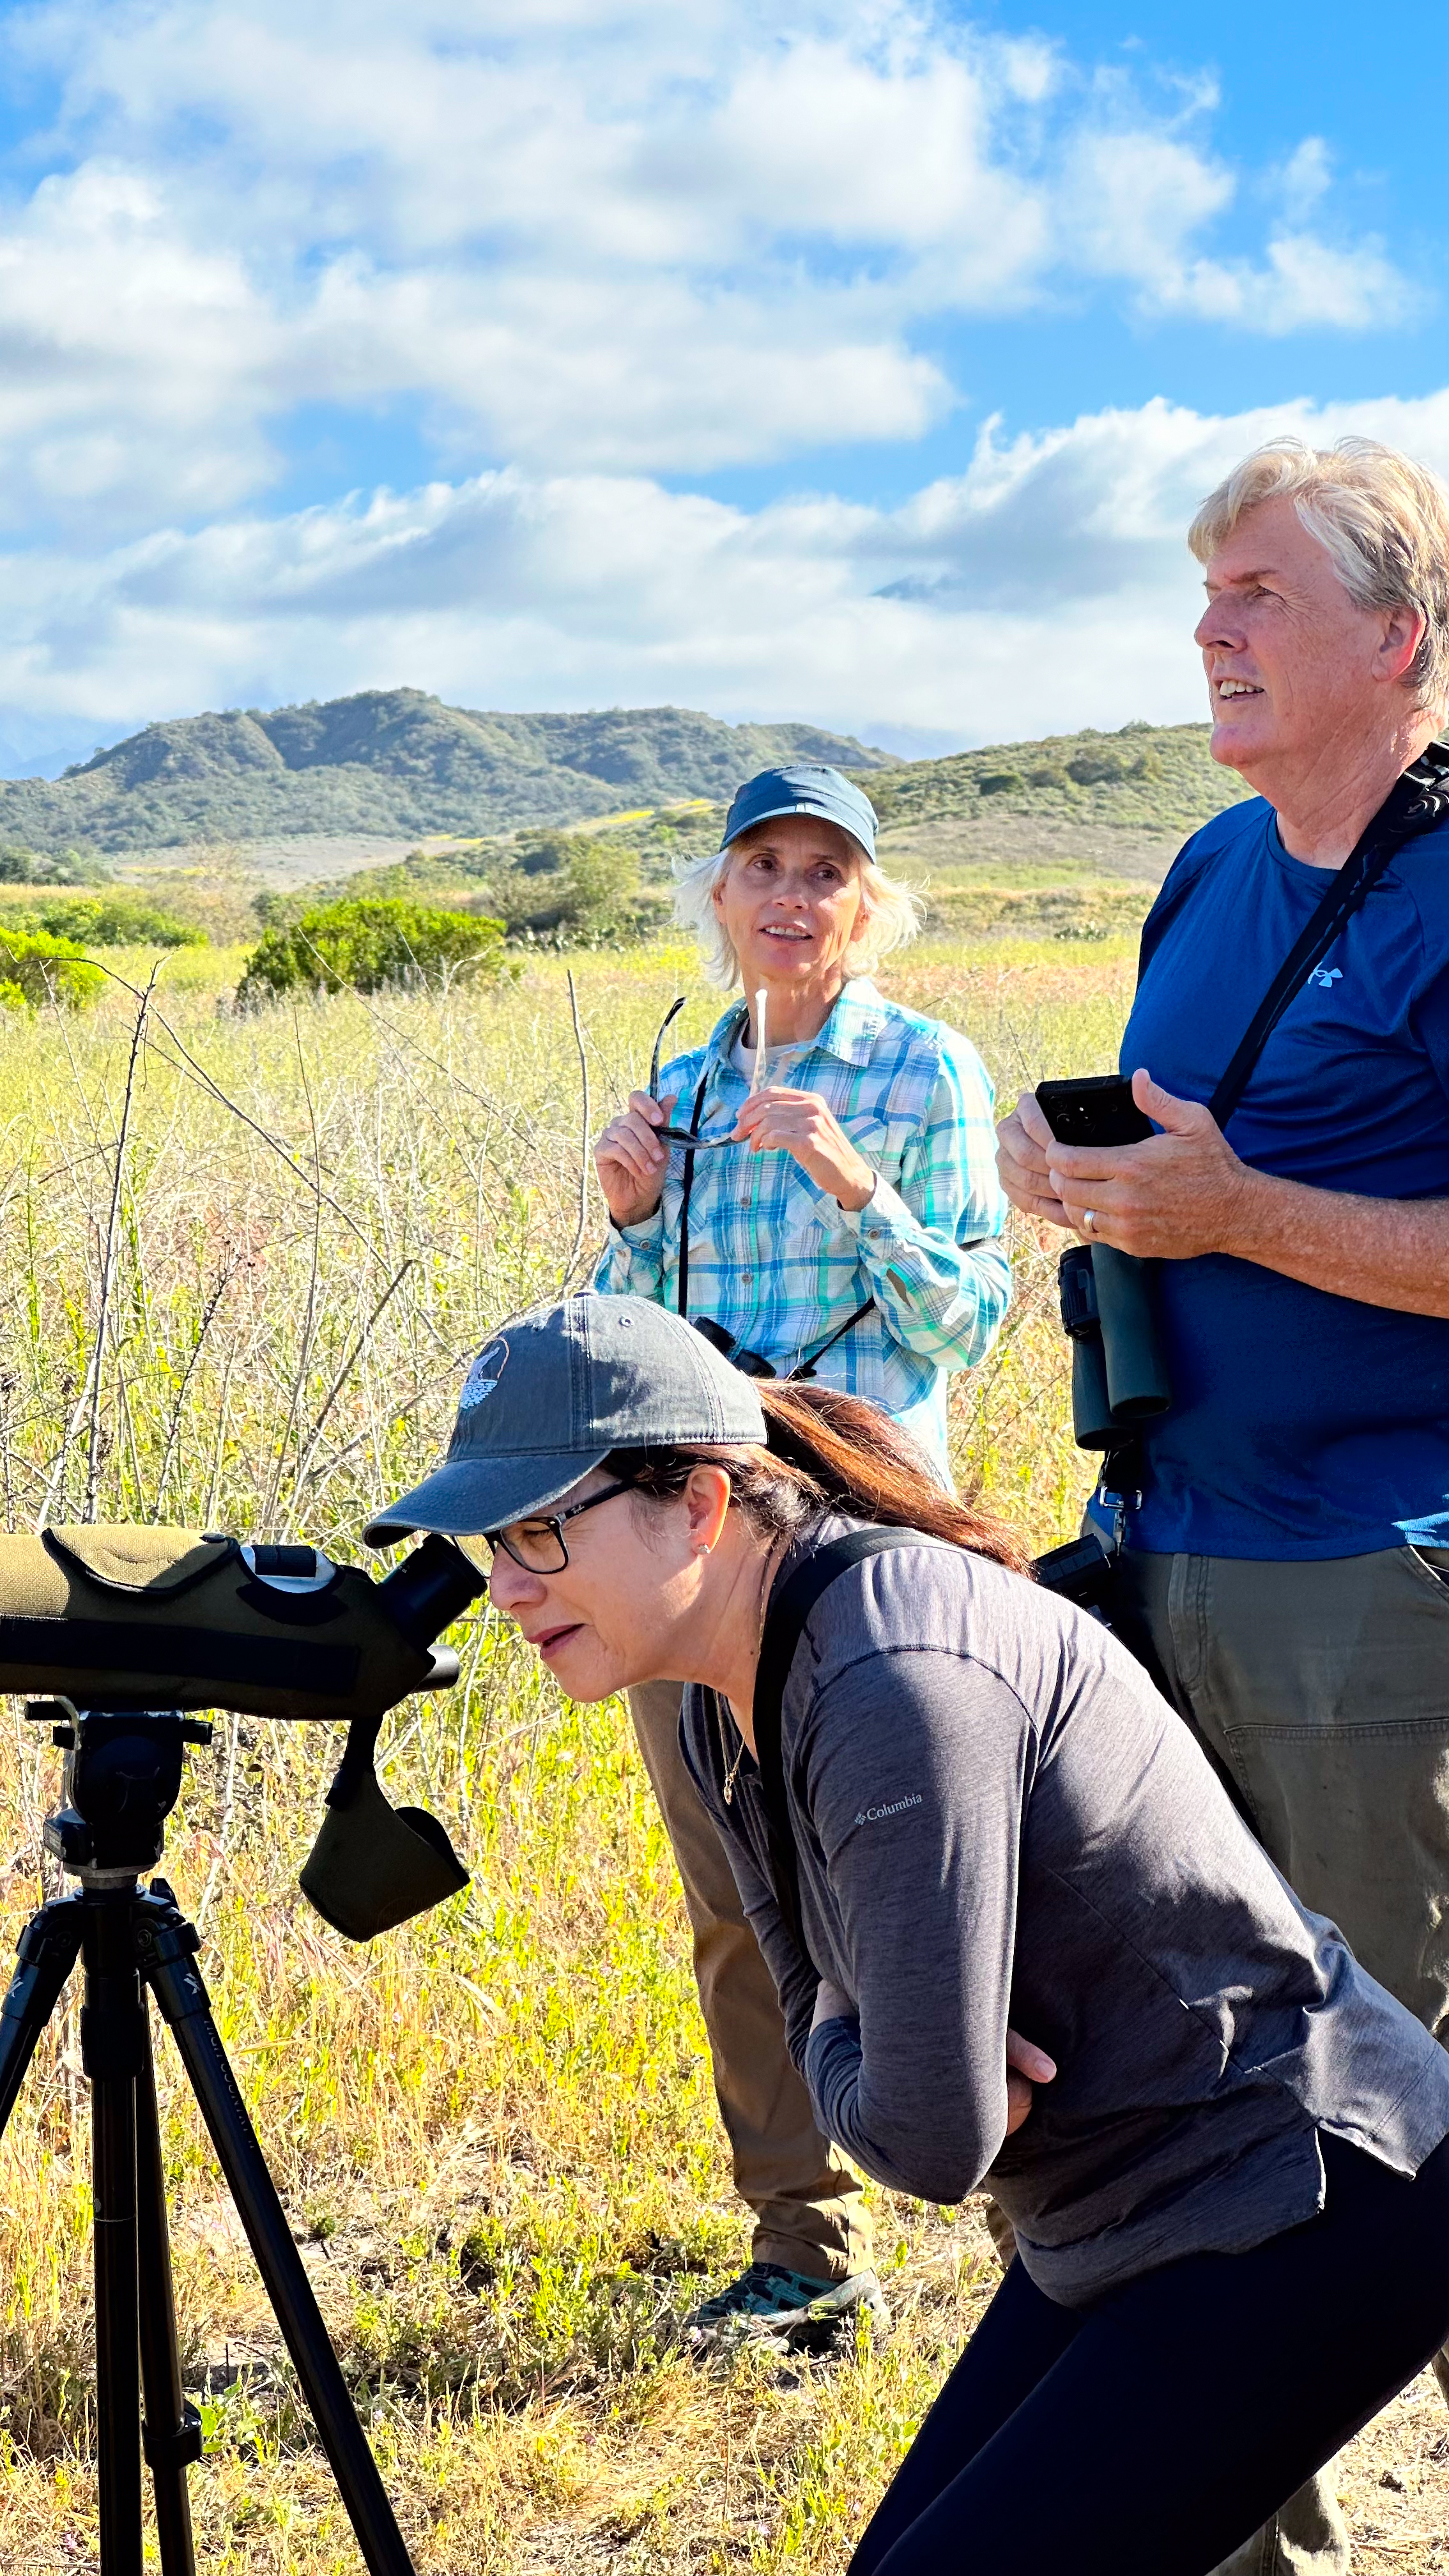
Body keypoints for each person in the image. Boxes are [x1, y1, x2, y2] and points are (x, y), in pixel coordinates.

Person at [366, 1293, 1449, 2576]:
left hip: (1305, 2197)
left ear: (702, 1504)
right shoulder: (727, 1694)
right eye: (495, 1542)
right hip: (1116, 2211)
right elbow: (829, 2010)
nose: (503, 1588)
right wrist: (858, 2036)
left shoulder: (890, 1678)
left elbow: (927, 2136)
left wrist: (850, 2039)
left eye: (541, 1531)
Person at [995, 433, 1449, 2576]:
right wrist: (1082, 1186)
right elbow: (1181, 1159)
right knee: (1198, 2101)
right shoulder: (1199, 866)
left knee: (1409, 2113)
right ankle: (1234, 2537)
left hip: (1376, 1588)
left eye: (1252, 594)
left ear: (1393, 635)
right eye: (1199, 598)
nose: (1205, 631)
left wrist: (1232, 1210)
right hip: (1167, 1564)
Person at [590, 762, 1010, 2343]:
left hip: (856, 1534)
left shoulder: (921, 1069)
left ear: (868, 903)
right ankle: (804, 2250)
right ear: (720, 897)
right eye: (761, 865)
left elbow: (970, 1316)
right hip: (691, 1534)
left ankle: (1036, 2202)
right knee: (732, 1895)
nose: (789, 897)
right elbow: (644, 1344)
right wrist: (628, 1216)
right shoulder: (687, 1089)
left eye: (824, 871)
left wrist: (858, 1183)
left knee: (899, 1888)